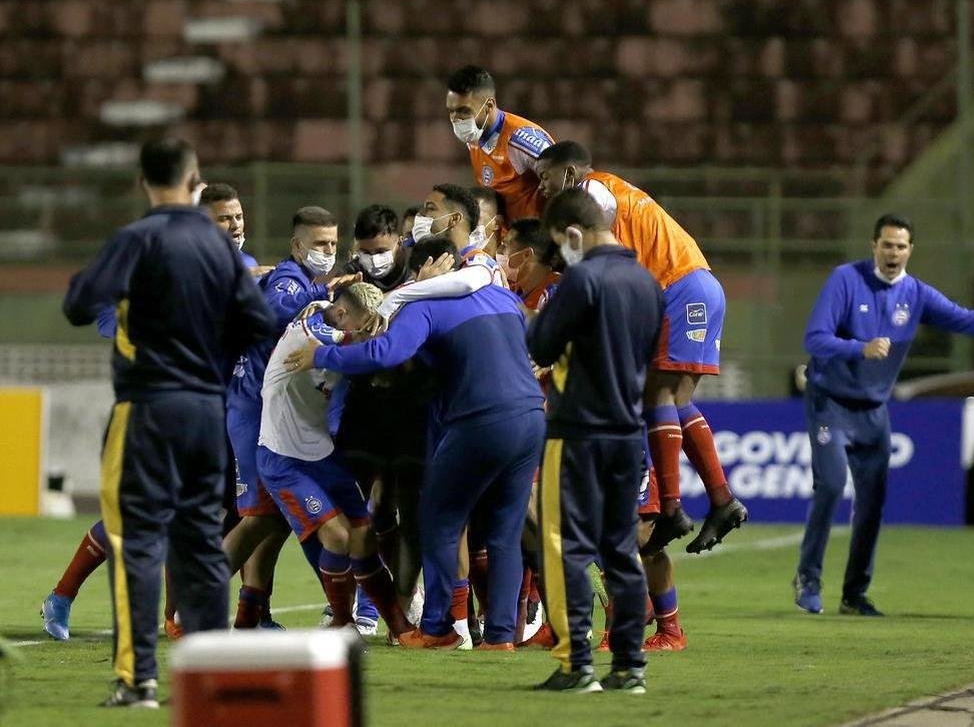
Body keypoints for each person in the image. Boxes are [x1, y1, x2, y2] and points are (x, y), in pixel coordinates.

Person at [62, 138, 275, 707]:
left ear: (144, 183)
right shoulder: (220, 248)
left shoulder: (138, 239)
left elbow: (79, 305)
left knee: (135, 540)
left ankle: (138, 681)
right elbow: (258, 320)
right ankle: (213, 676)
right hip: (209, 411)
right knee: (202, 542)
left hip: (148, 408)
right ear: (195, 180)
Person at [287, 237, 546, 651]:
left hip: (479, 420)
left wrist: (323, 357)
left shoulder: (425, 305)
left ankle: (438, 627)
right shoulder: (500, 297)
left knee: (438, 521)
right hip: (531, 417)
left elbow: (386, 353)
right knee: (504, 529)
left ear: (429, 271)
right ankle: (500, 637)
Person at [796, 213, 974, 616]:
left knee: (873, 501)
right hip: (830, 402)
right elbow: (815, 337)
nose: (893, 253)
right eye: (887, 245)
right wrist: (859, 348)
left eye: (901, 246)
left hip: (873, 410)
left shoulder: (915, 293)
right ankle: (808, 578)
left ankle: (854, 594)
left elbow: (958, 316)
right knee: (831, 485)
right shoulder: (845, 280)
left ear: (910, 250)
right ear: (874, 246)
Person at [535, 141, 746, 555]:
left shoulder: (594, 190)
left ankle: (671, 507)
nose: (542, 188)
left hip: (677, 286)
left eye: (545, 178)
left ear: (570, 173)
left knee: (658, 395)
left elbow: (597, 225)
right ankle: (721, 501)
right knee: (676, 401)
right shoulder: (615, 188)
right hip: (694, 283)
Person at [527, 189, 662, 693]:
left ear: (574, 233)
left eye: (561, 242)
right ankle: (629, 666)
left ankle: (575, 663)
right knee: (621, 552)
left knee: (566, 548)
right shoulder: (648, 282)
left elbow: (540, 345)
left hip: (578, 432)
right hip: (628, 434)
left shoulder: (582, 278)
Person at [220, 206, 361, 633]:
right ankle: (192, 604)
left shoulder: (305, 282)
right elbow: (276, 314)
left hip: (270, 417)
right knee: (258, 519)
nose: (329, 251)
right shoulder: (289, 281)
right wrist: (320, 303)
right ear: (298, 245)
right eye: (320, 244)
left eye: (334, 243)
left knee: (270, 520)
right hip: (254, 413)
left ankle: (252, 613)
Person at [256, 282, 413, 638]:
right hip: (283, 457)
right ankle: (342, 624)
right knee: (339, 537)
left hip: (321, 451)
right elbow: (358, 350)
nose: (362, 331)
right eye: (359, 324)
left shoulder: (328, 313)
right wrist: (371, 336)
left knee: (363, 537)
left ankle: (400, 627)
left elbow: (351, 332)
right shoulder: (315, 336)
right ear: (342, 314)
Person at [446, 65, 554, 221]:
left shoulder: (521, 140)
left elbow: (565, 183)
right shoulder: (473, 136)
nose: (456, 118)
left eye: (464, 111)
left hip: (534, 237)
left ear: (488, 106)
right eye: (452, 110)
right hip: (505, 238)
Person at [501, 218, 562, 316]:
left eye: (505, 246)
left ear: (526, 255)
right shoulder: (512, 288)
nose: (500, 253)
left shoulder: (557, 296)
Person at [469, 185, 506, 257]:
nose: (468, 225)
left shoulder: (509, 264)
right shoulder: (457, 261)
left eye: (475, 217)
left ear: (497, 222)